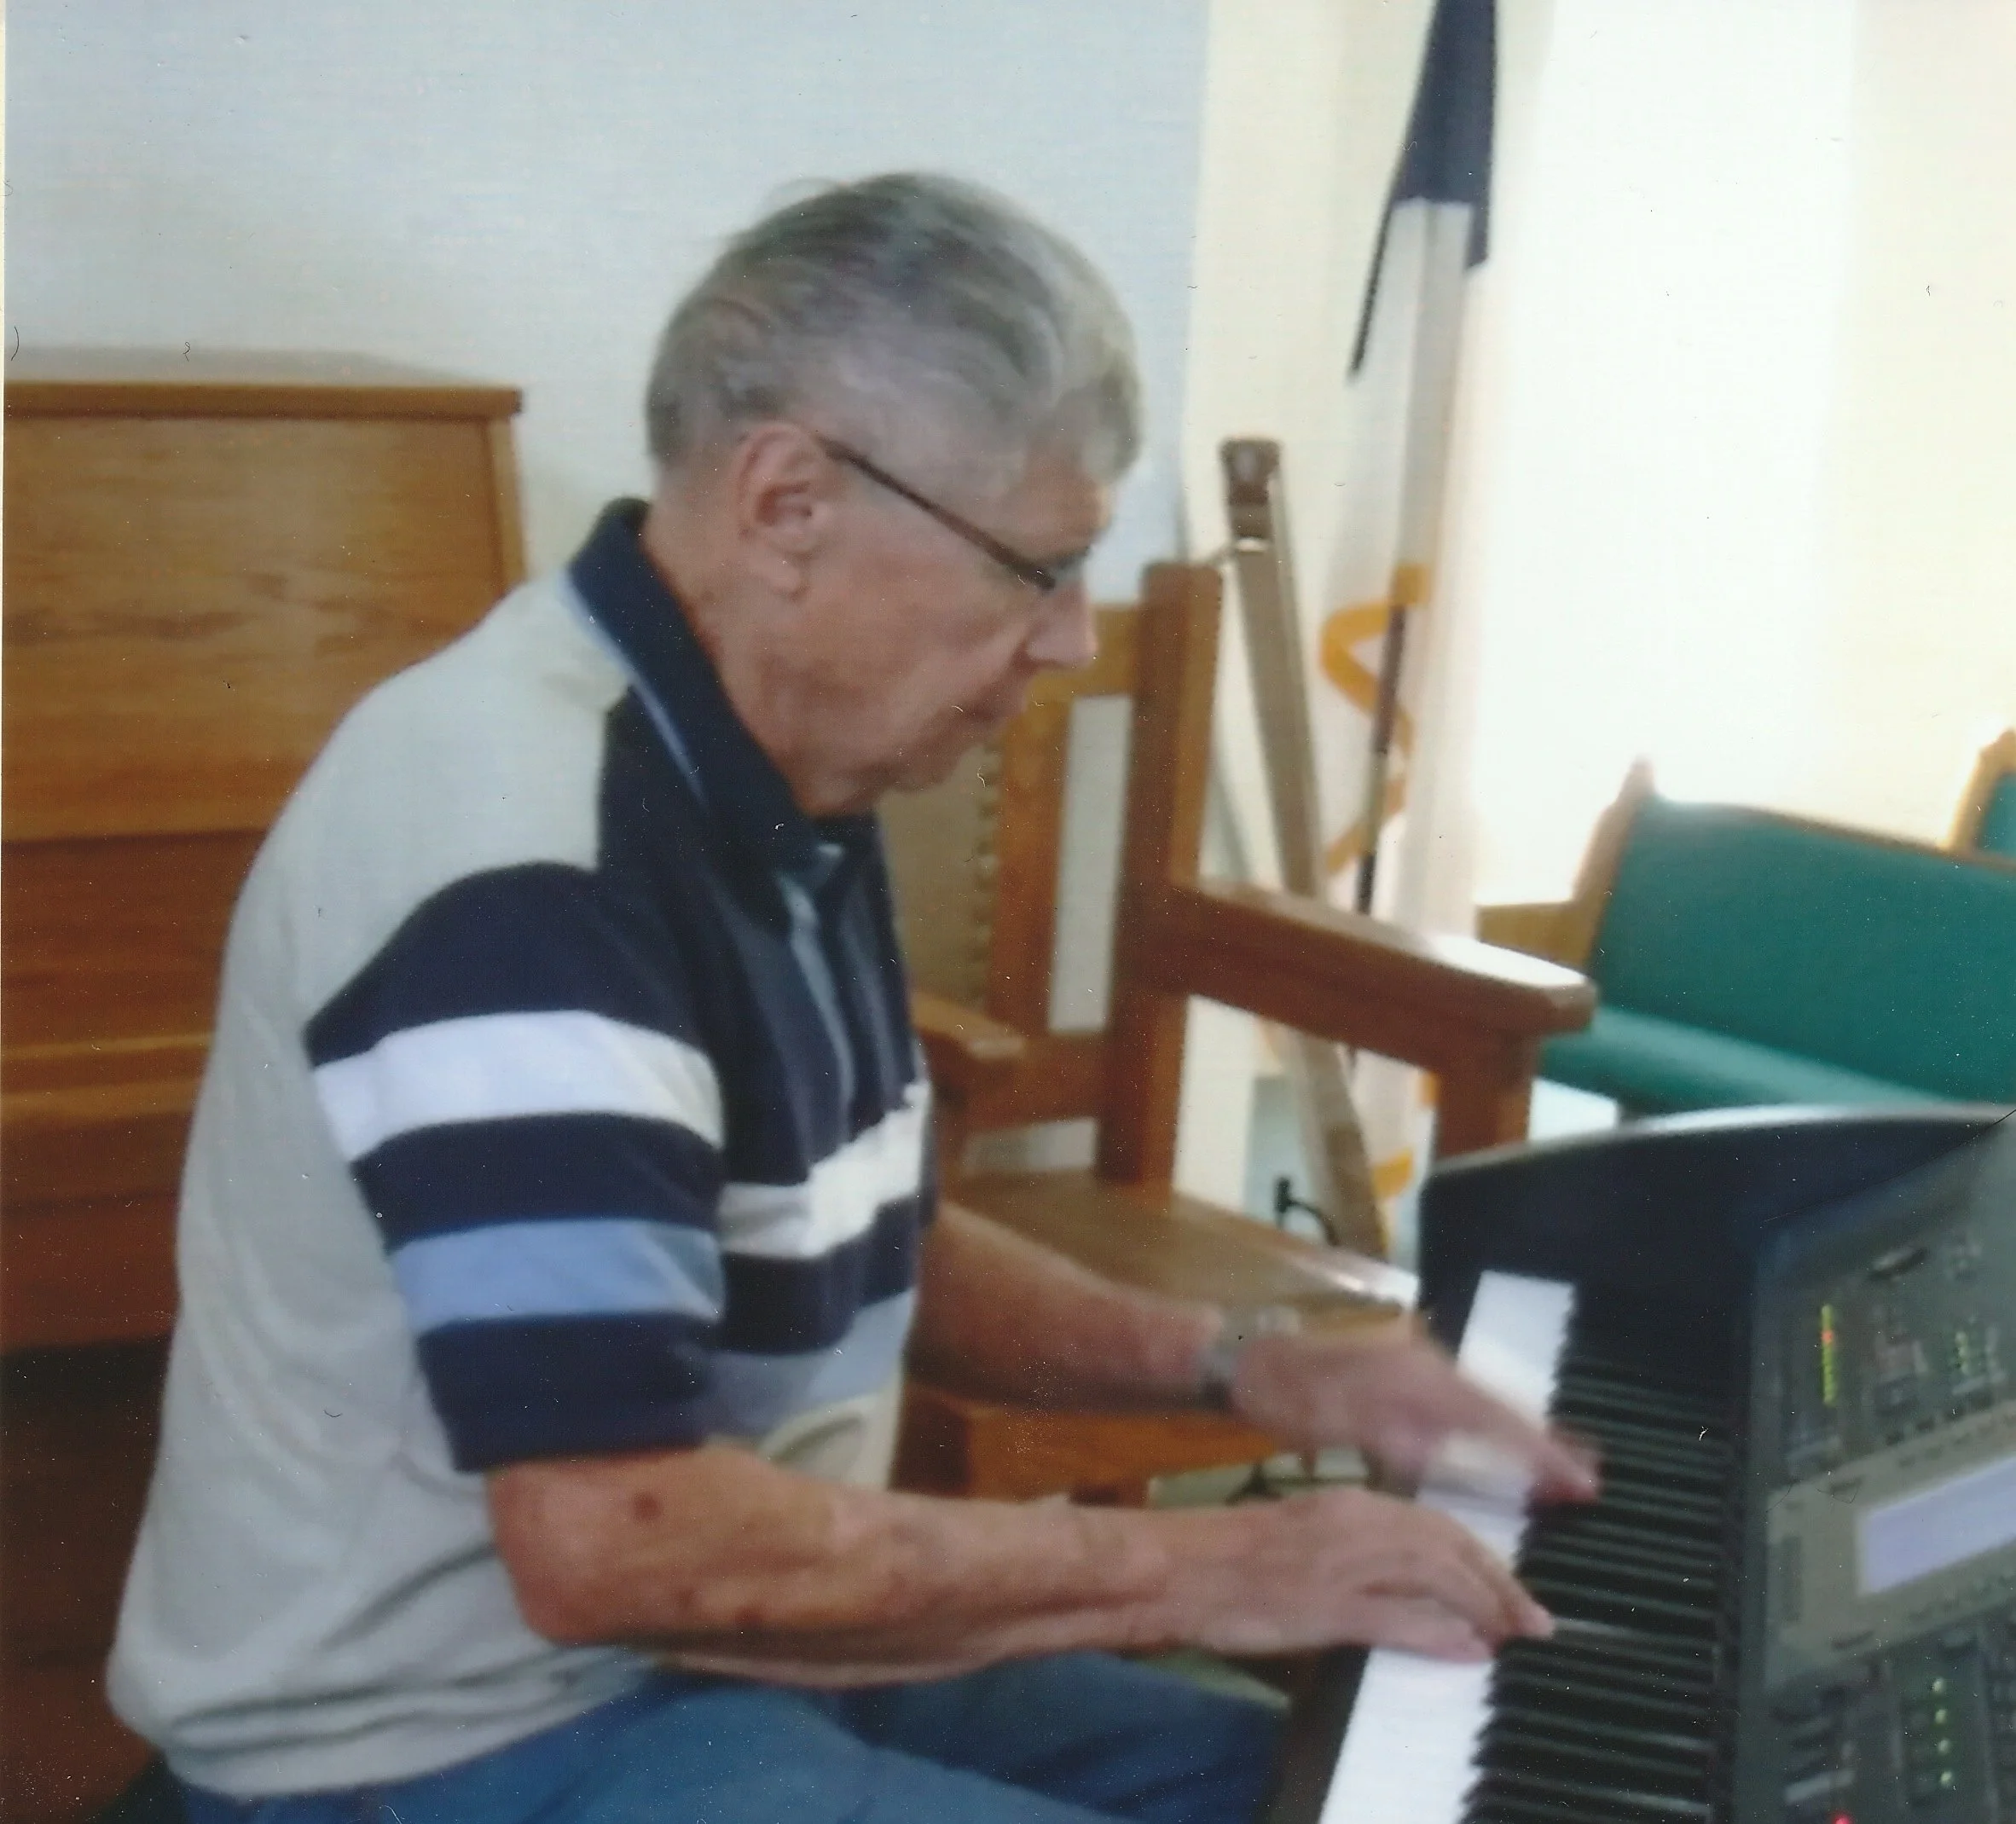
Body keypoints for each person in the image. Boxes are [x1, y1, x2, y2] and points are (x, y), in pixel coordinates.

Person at [108, 173, 1594, 1824]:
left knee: (1343, 1788)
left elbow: (866, 1237)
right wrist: (1208, 1563)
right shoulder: (526, 871)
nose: (1065, 640)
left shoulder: (771, 769)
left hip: (718, 1658)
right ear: (788, 500)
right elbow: (618, 1538)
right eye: (1041, 566)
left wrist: (1254, 1366)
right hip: (443, 1740)